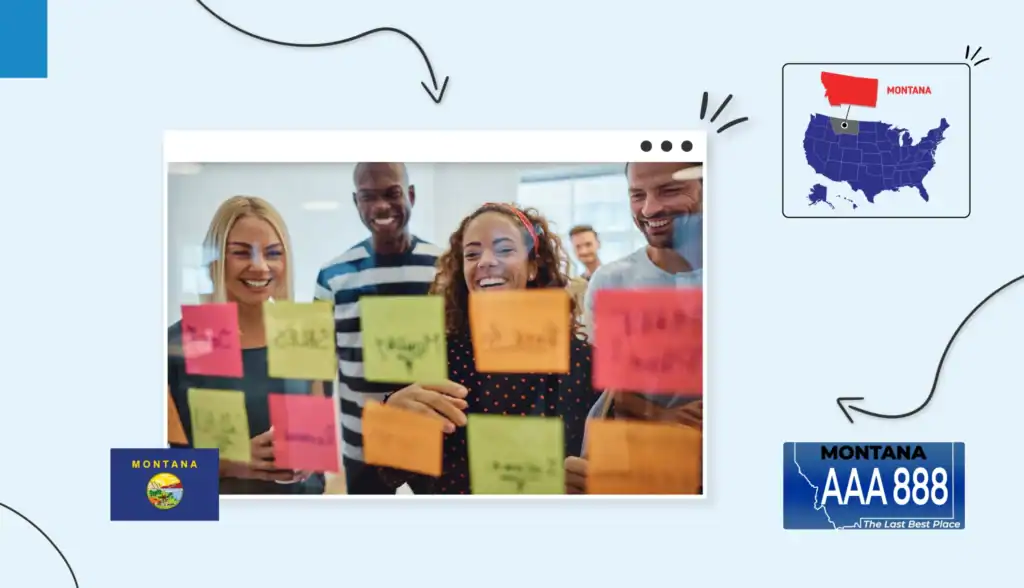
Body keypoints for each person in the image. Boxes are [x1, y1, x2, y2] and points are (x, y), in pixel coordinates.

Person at [377, 203, 598, 494]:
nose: (485, 261)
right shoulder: (433, 358)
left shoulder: (582, 363)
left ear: (533, 266)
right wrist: (390, 424)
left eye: (505, 249)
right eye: (472, 254)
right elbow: (390, 475)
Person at [168, 195, 325, 495]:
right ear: (214, 260)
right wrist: (230, 463)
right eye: (241, 253)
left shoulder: (303, 336)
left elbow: (316, 450)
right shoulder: (176, 347)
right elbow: (135, 486)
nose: (260, 267)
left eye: (273, 253)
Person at [566, 162, 704, 494]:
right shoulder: (613, 281)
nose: (650, 208)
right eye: (637, 194)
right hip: (630, 467)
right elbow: (615, 388)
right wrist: (667, 422)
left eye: (670, 190)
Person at [314, 162, 442, 494]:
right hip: (363, 440)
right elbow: (318, 364)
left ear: (411, 195)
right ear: (356, 202)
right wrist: (311, 440)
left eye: (392, 193)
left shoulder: (444, 268)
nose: (381, 206)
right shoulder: (332, 275)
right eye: (368, 197)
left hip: (434, 433)